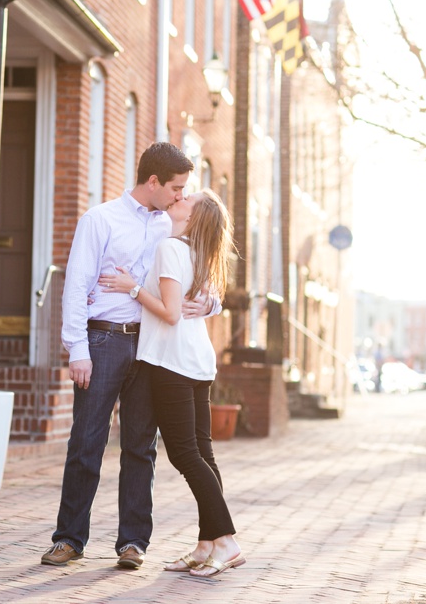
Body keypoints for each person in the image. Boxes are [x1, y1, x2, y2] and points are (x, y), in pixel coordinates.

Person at [41, 142, 216, 570]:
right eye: (176, 187)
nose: (181, 196)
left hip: (152, 348)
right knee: (87, 442)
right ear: (152, 181)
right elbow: (76, 287)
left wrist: (211, 305)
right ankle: (69, 539)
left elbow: (203, 276)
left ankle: (133, 542)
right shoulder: (100, 219)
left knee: (141, 446)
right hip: (103, 342)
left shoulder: (173, 226)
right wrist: (77, 349)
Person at [105, 188, 245, 577]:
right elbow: (193, 304)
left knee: (184, 455)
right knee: (203, 453)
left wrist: (132, 288)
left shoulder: (171, 247)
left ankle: (227, 541)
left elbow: (168, 313)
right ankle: (206, 545)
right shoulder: (200, 253)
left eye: (187, 199)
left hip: (172, 363)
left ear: (193, 217)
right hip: (197, 362)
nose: (177, 199)